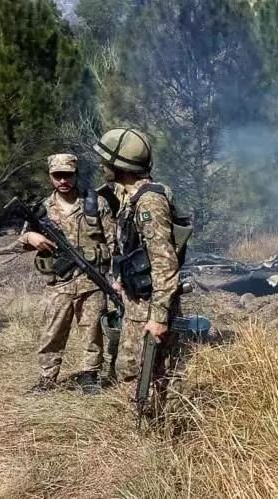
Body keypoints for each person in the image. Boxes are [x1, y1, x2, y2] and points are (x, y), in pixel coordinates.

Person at [92, 128, 189, 414]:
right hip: (137, 302)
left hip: (150, 306)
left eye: (107, 161)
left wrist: (158, 318)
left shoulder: (148, 202)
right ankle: (145, 424)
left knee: (147, 373)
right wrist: (122, 279)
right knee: (131, 370)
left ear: (121, 165)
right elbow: (134, 249)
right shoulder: (130, 197)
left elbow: (165, 264)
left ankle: (157, 429)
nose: (102, 166)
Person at [17, 154, 116, 395]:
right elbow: (21, 241)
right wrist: (31, 237)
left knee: (92, 330)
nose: (63, 180)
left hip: (92, 281)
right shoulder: (42, 209)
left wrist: (117, 278)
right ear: (50, 177)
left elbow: (114, 243)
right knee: (52, 332)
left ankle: (90, 375)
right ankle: (47, 378)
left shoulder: (95, 203)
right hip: (58, 284)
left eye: (68, 175)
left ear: (75, 174)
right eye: (57, 176)